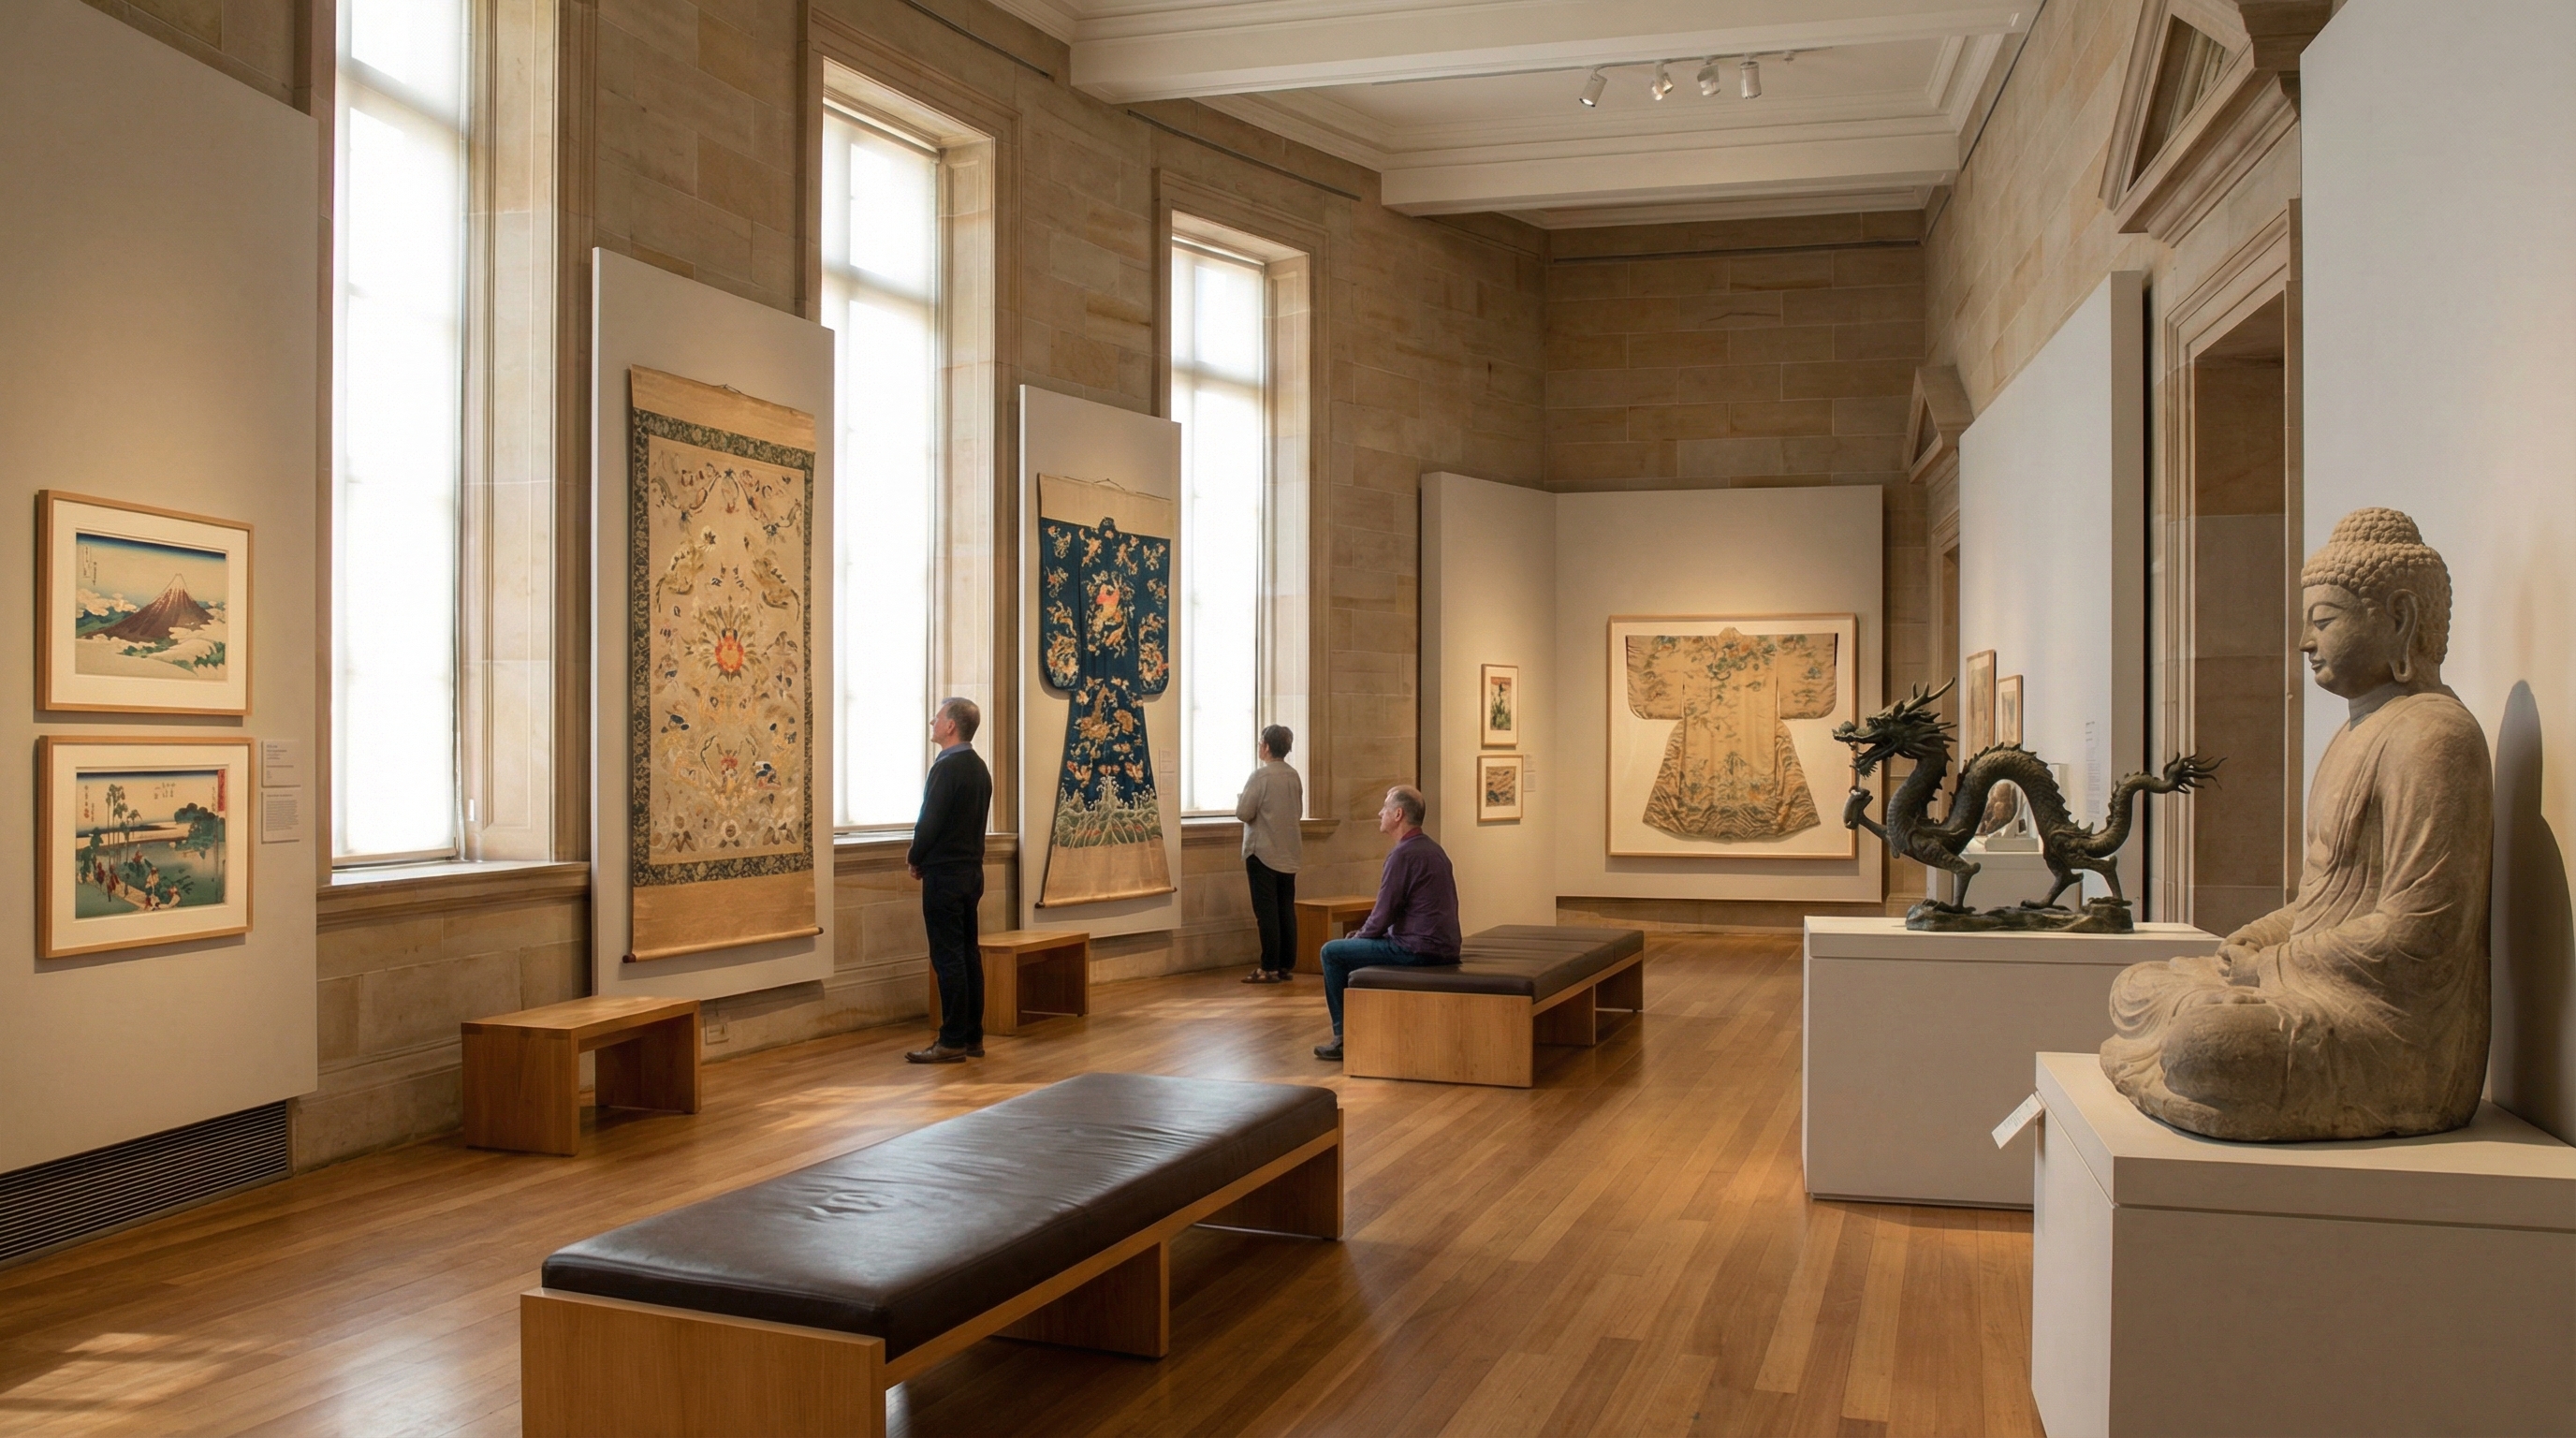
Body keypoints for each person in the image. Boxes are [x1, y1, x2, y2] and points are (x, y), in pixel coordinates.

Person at [2100, 508, 2493, 1140]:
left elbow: (2421, 936)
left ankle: (2195, 1069)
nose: (2305, 643)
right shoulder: (2354, 733)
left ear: (2400, 618)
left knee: (2209, 1039)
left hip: (2389, 1025)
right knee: (2139, 987)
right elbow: (2321, 901)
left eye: (2324, 621)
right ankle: (2186, 1062)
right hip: (2314, 982)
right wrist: (2257, 938)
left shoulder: (2435, 737)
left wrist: (2274, 967)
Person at [1313, 785, 1460, 1061]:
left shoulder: (1403, 854)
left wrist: (1361, 937)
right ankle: (1366, 1030)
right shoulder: (1432, 848)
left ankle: (1343, 1038)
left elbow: (1383, 913)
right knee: (1353, 944)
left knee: (1332, 952)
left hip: (1417, 949)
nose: (1380, 812)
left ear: (1398, 814)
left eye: (1385, 807)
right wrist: (1366, 935)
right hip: (1441, 946)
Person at [906, 697, 993, 1064]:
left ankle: (952, 1040)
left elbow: (931, 821)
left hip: (944, 875)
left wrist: (915, 856)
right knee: (968, 955)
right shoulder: (979, 768)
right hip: (971, 873)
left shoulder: (947, 768)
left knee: (948, 958)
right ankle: (972, 1036)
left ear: (951, 726)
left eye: (938, 717)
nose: (932, 721)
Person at [1237, 724, 1304, 984]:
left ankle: (1268, 967)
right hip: (1289, 851)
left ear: (1265, 746)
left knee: (1266, 912)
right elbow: (1296, 810)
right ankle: (1286, 964)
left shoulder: (1260, 777)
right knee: (1286, 908)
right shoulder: (1294, 775)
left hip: (1263, 852)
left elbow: (1244, 813)